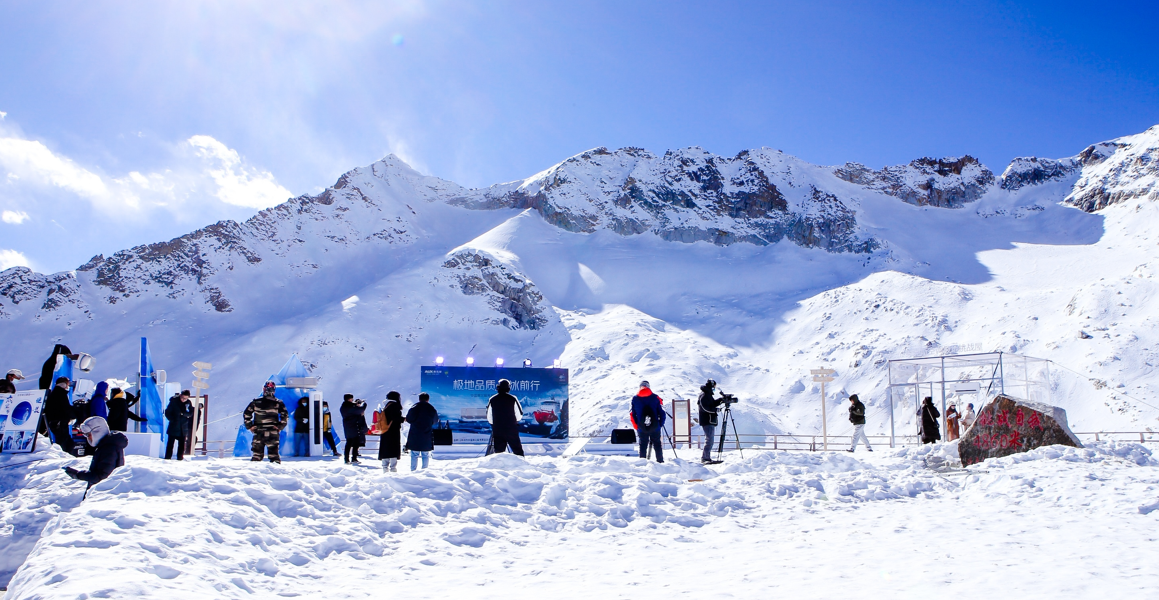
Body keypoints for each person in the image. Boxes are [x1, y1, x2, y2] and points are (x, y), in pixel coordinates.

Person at [62, 416, 127, 495]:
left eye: (88, 434)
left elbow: (101, 477)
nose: (88, 438)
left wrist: (78, 475)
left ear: (98, 432)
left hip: (103, 496)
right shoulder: (105, 447)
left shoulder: (108, 449)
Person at [243, 381, 288, 463]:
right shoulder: (278, 403)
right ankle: (276, 474)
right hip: (272, 432)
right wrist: (279, 427)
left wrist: (249, 426)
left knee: (256, 456)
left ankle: (253, 474)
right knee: (274, 457)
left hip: (259, 432)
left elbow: (247, 414)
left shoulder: (256, 402)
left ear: (264, 389)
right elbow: (285, 416)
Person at [486, 379, 525, 456]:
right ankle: (521, 465)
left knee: (499, 452)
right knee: (517, 450)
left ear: (498, 388)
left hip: (498, 429)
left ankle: (500, 466)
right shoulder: (512, 398)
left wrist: (495, 424)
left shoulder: (492, 399)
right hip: (511, 429)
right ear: (508, 388)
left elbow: (489, 417)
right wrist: (513, 421)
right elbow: (519, 415)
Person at [630, 380, 666, 463]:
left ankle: (642, 463)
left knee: (643, 445)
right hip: (655, 427)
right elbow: (662, 413)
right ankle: (660, 462)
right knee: (657, 444)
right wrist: (660, 424)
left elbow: (632, 414)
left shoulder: (635, 399)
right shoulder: (656, 397)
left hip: (642, 427)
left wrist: (637, 426)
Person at [406, 393, 438, 471]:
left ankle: (413, 470)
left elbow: (409, 419)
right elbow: (435, 421)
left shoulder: (414, 407)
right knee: (425, 454)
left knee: (414, 454)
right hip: (426, 433)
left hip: (415, 433)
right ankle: (425, 471)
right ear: (428, 399)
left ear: (419, 399)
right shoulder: (431, 408)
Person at [44, 376, 75, 454]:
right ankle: (63, 457)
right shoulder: (61, 394)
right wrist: (72, 416)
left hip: (54, 422)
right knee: (65, 443)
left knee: (63, 441)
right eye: (68, 384)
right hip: (60, 422)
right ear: (64, 384)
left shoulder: (54, 393)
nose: (68, 386)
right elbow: (65, 407)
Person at [698, 380, 723, 463]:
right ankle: (705, 458)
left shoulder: (707, 395)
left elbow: (711, 404)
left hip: (709, 420)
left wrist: (721, 400)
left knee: (710, 440)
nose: (714, 389)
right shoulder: (704, 395)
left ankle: (706, 457)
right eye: (714, 387)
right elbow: (705, 408)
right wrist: (716, 410)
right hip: (707, 420)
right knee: (709, 440)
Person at [377, 392, 404, 471]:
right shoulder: (394, 405)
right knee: (393, 449)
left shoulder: (387, 405)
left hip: (385, 430)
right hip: (393, 431)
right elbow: (396, 417)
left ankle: (385, 468)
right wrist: (403, 419)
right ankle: (393, 469)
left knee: (385, 449)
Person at [164, 390, 193, 460]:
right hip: (174, 426)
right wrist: (173, 420)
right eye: (182, 398)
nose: (183, 400)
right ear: (180, 395)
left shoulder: (188, 403)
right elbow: (167, 412)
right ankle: (167, 458)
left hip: (183, 427)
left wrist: (183, 414)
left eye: (185, 398)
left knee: (182, 445)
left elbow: (191, 413)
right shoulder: (174, 402)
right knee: (170, 444)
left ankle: (180, 458)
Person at [340, 394, 368, 464]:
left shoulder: (343, 406)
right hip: (353, 426)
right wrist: (364, 405)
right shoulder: (349, 407)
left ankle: (346, 459)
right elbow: (359, 410)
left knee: (349, 442)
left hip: (347, 427)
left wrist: (356, 404)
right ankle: (354, 458)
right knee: (355, 442)